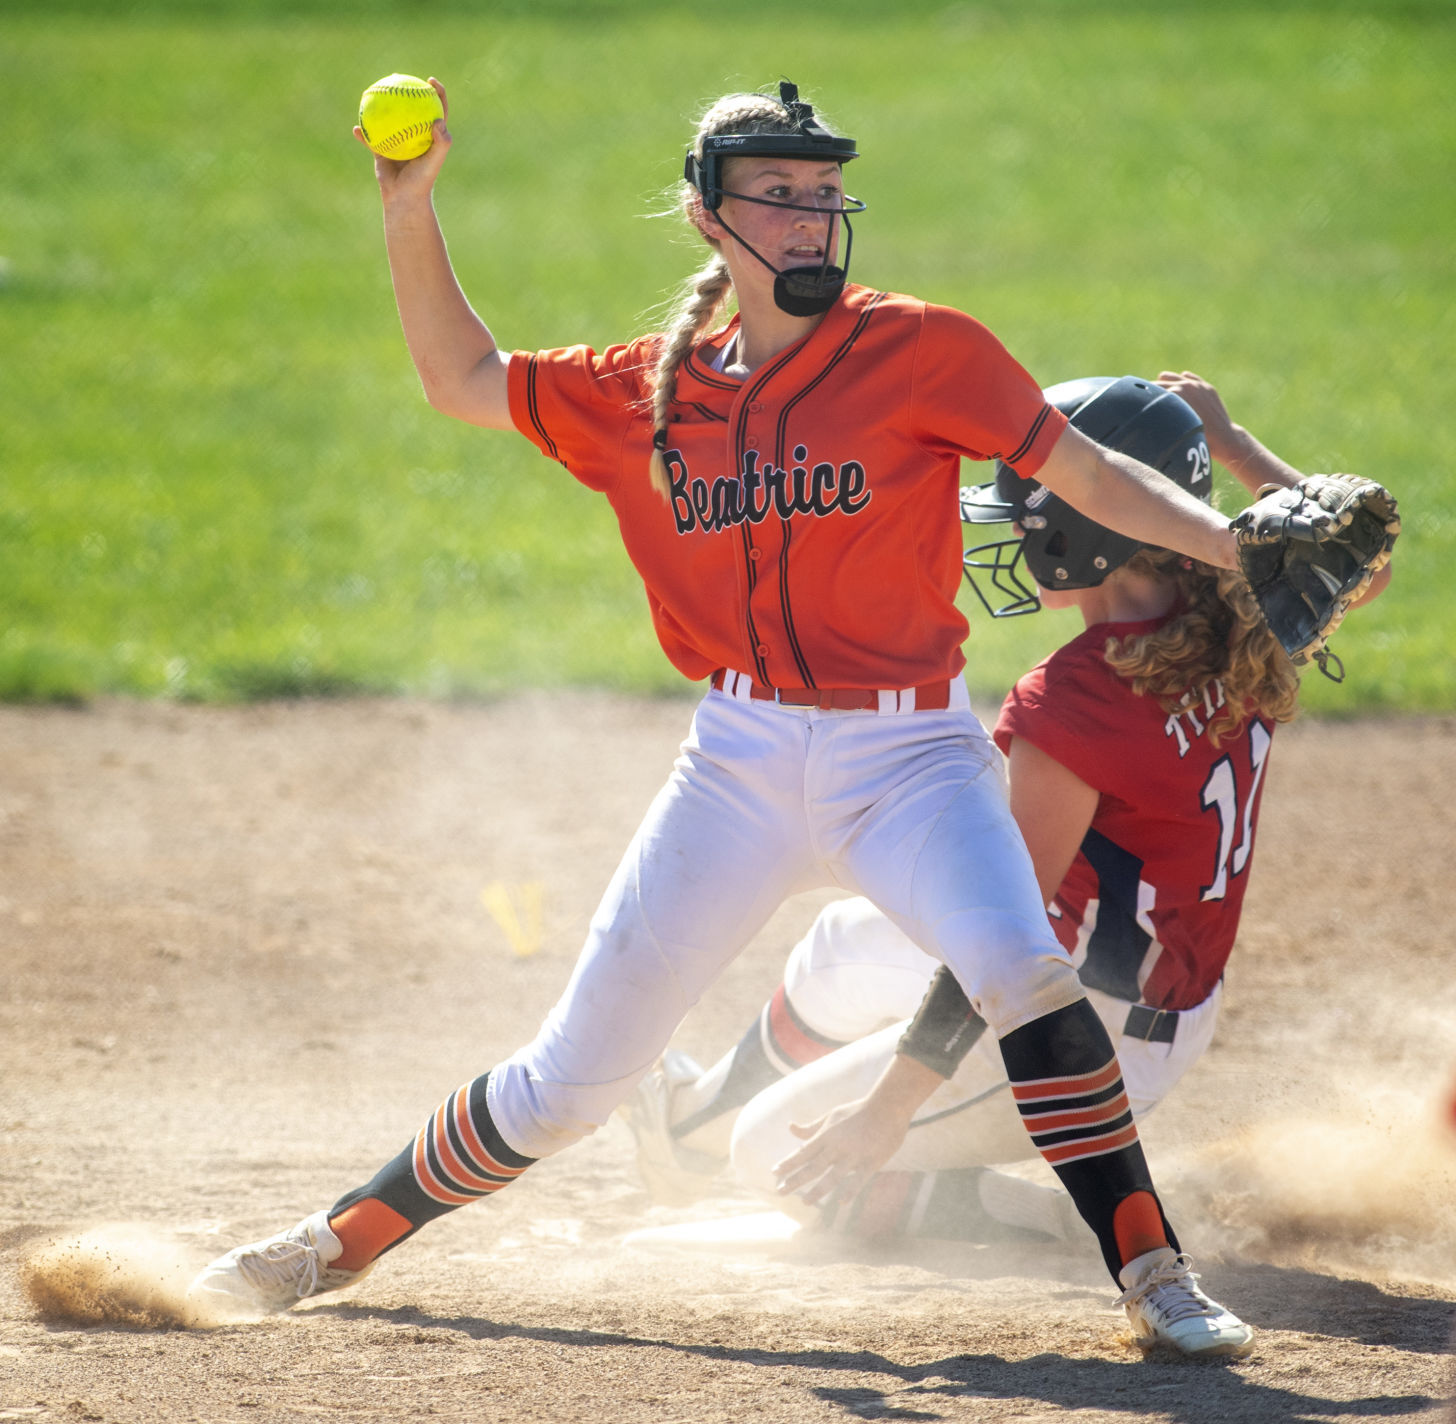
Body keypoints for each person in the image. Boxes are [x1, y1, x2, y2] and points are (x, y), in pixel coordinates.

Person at [188, 79, 1265, 1357]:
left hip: (907, 753)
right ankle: (330, 1241)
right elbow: (463, 379)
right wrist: (407, 205)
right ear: (710, 215)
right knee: (568, 1083)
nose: (811, 220)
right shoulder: (644, 392)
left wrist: (1233, 545)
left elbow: (1082, 470)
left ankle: (1155, 1279)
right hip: (737, 762)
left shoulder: (923, 346)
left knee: (1022, 973)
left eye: (823, 197)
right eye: (779, 196)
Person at [619, 371, 1393, 1273]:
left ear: (1096, 528)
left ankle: (1062, 1213)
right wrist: (1227, 442)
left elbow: (1002, 944)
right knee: (842, 945)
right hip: (1141, 975)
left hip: (1091, 1031)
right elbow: (1353, 559)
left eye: (1033, 505)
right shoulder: (1247, 606)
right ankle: (692, 1131)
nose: (1015, 523)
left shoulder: (1073, 706)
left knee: (777, 1158)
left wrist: (887, 1112)